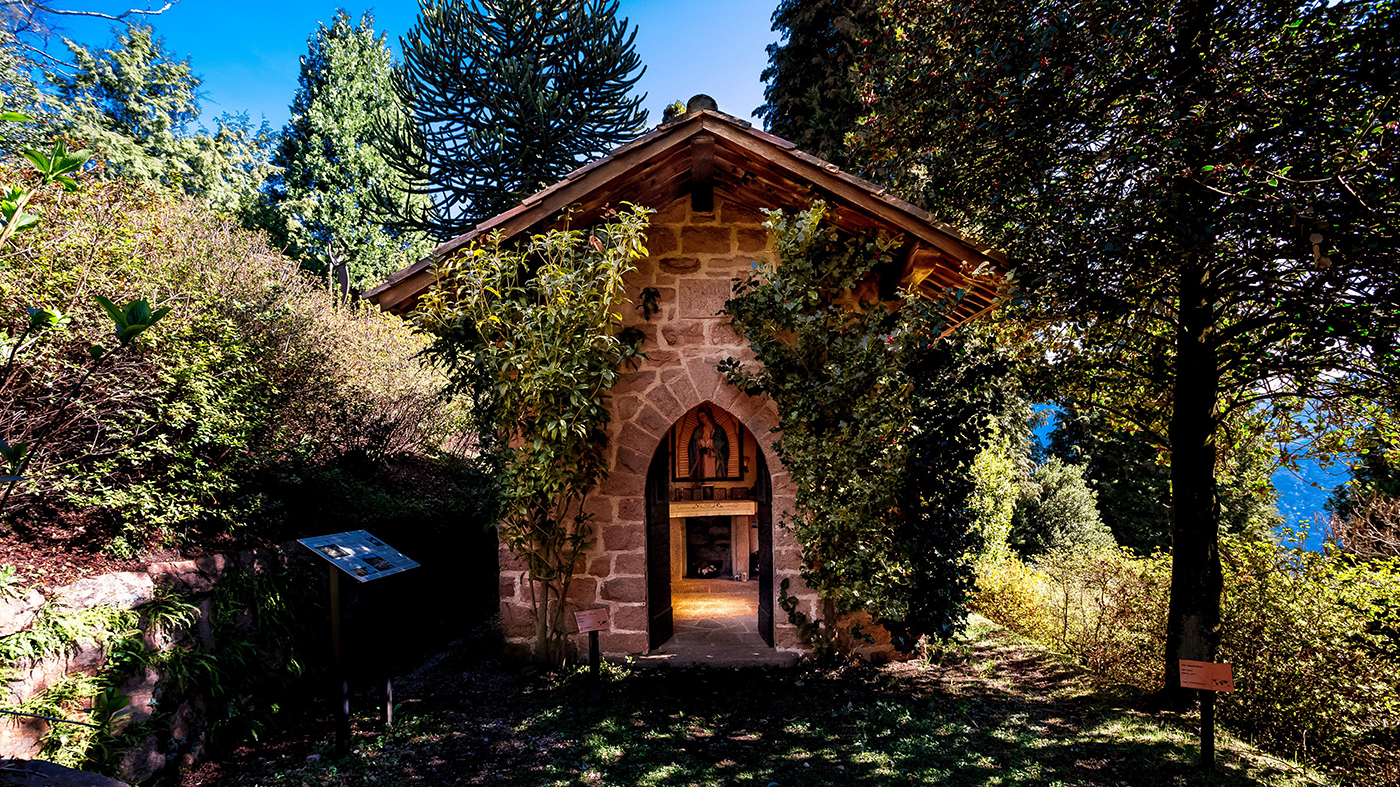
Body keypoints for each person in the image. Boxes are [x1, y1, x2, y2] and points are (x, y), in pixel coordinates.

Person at [688, 406, 729, 479]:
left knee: (714, 474)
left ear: (708, 415)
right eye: (700, 418)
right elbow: (691, 445)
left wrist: (713, 443)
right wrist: (698, 443)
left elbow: (724, 445)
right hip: (703, 459)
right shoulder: (697, 430)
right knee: (704, 475)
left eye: (703, 416)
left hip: (715, 458)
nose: (702, 419)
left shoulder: (718, 429)